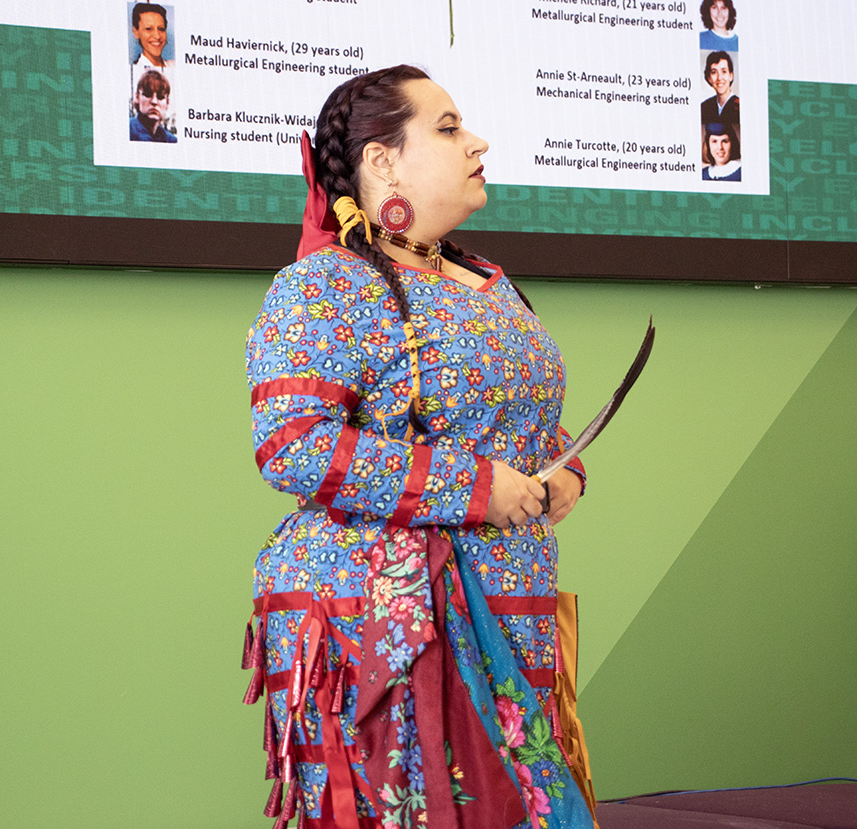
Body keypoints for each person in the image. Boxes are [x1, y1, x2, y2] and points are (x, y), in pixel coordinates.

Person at [241, 65, 597, 828]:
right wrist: (476, 488)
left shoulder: (489, 281)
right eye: (447, 127)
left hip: (511, 603)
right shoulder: (324, 285)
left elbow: (517, 426)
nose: (477, 143)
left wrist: (561, 472)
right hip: (387, 626)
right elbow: (293, 444)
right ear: (382, 160)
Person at [130, 3, 173, 92]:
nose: (157, 36)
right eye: (149, 29)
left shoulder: (174, 64)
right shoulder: (136, 72)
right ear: (136, 32)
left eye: (161, 29)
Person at [129, 70, 176, 142]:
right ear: (137, 97)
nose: (154, 102)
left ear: (167, 103)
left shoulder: (171, 140)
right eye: (148, 94)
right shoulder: (128, 129)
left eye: (160, 97)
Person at [700, 50, 739, 129]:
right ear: (709, 78)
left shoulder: (739, 107)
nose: (719, 78)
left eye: (724, 71)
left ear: (731, 76)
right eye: (714, 72)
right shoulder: (704, 107)